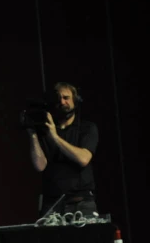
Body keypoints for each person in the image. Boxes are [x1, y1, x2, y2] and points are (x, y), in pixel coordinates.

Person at [26, 82, 99, 218]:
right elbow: (39, 165)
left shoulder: (87, 128)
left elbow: (83, 159)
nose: (62, 101)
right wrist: (33, 134)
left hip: (81, 203)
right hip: (52, 204)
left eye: (66, 97)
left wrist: (54, 136)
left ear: (75, 101)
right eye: (58, 98)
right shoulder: (46, 130)